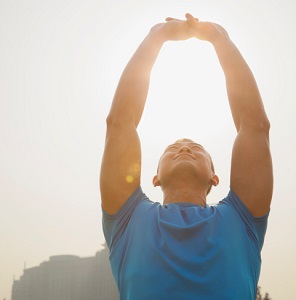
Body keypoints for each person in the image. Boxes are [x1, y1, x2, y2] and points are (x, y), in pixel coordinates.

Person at [100, 13, 273, 300]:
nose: (184, 147)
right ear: (154, 178)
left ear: (214, 177)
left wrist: (219, 38)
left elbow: (254, 126)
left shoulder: (241, 221)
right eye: (172, 148)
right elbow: (120, 123)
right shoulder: (129, 220)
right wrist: (157, 36)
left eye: (196, 148)